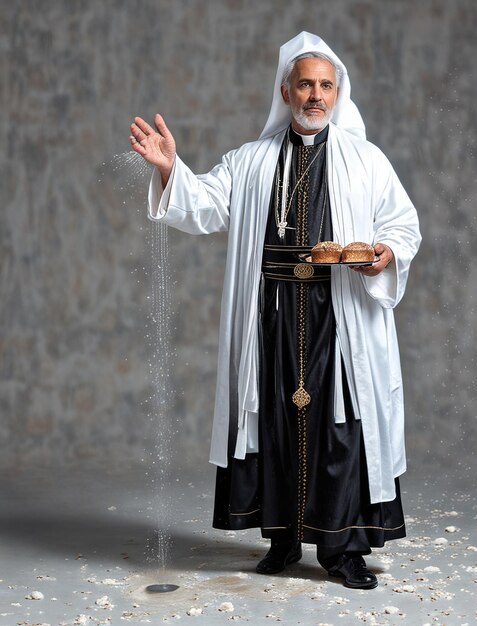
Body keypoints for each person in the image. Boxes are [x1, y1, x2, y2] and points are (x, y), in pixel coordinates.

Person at [130, 32, 421, 590]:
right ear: (285, 90)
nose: (315, 95)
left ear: (338, 93)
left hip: (341, 314)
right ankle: (282, 539)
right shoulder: (251, 160)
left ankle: (343, 550)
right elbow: (207, 204)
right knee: (277, 425)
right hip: (272, 315)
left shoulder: (366, 161)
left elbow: (402, 226)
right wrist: (170, 169)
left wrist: (387, 254)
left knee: (340, 428)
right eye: (305, 84)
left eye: (325, 85)